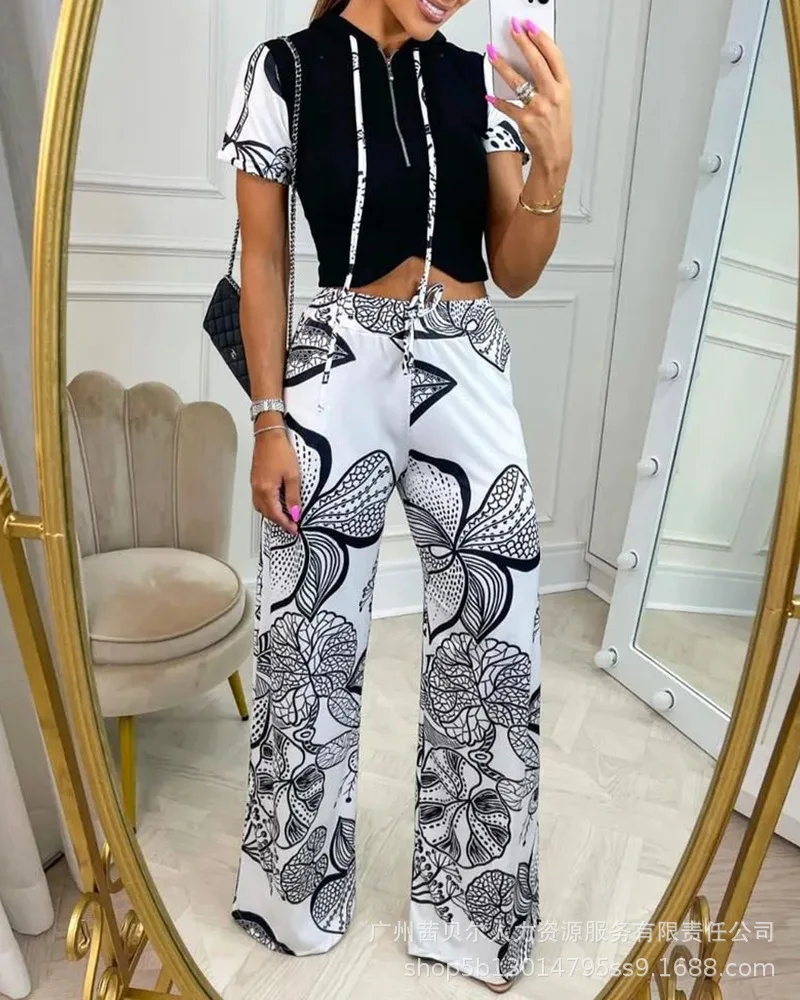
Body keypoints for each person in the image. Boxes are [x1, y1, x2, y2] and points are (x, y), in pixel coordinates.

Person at [217, 0, 572, 990]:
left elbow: (513, 269)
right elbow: (263, 258)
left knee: (496, 637)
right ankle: (293, 898)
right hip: (336, 357)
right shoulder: (284, 68)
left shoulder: (475, 80)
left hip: (467, 355)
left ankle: (473, 920)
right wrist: (268, 420)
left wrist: (552, 165)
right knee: (308, 636)